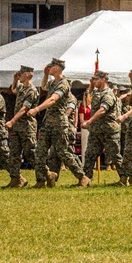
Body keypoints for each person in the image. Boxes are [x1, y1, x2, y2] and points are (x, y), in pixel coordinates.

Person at [28, 58, 90, 188]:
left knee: (62, 152)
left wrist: (37, 109)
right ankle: (42, 179)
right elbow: (44, 87)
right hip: (48, 123)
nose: (49, 68)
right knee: (39, 153)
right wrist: (45, 74)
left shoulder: (63, 84)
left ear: (57, 68)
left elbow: (52, 100)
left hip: (59, 123)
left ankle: (82, 177)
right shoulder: (53, 83)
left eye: (51, 67)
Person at [82, 72, 123, 184]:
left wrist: (89, 121)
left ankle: (124, 179)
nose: (94, 81)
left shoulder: (108, 94)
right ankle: (86, 179)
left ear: (103, 80)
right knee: (90, 155)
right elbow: (90, 93)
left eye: (96, 79)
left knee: (115, 156)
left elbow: (102, 110)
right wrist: (91, 84)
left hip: (108, 131)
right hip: (96, 131)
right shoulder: (96, 91)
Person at [4, 65, 39, 188]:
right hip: (17, 127)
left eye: (21, 74)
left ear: (28, 75)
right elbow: (13, 90)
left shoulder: (32, 91)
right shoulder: (22, 88)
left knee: (30, 153)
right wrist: (14, 79)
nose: (19, 76)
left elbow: (24, 109)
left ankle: (44, 176)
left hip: (26, 126)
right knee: (14, 154)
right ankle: (16, 179)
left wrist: (12, 121)